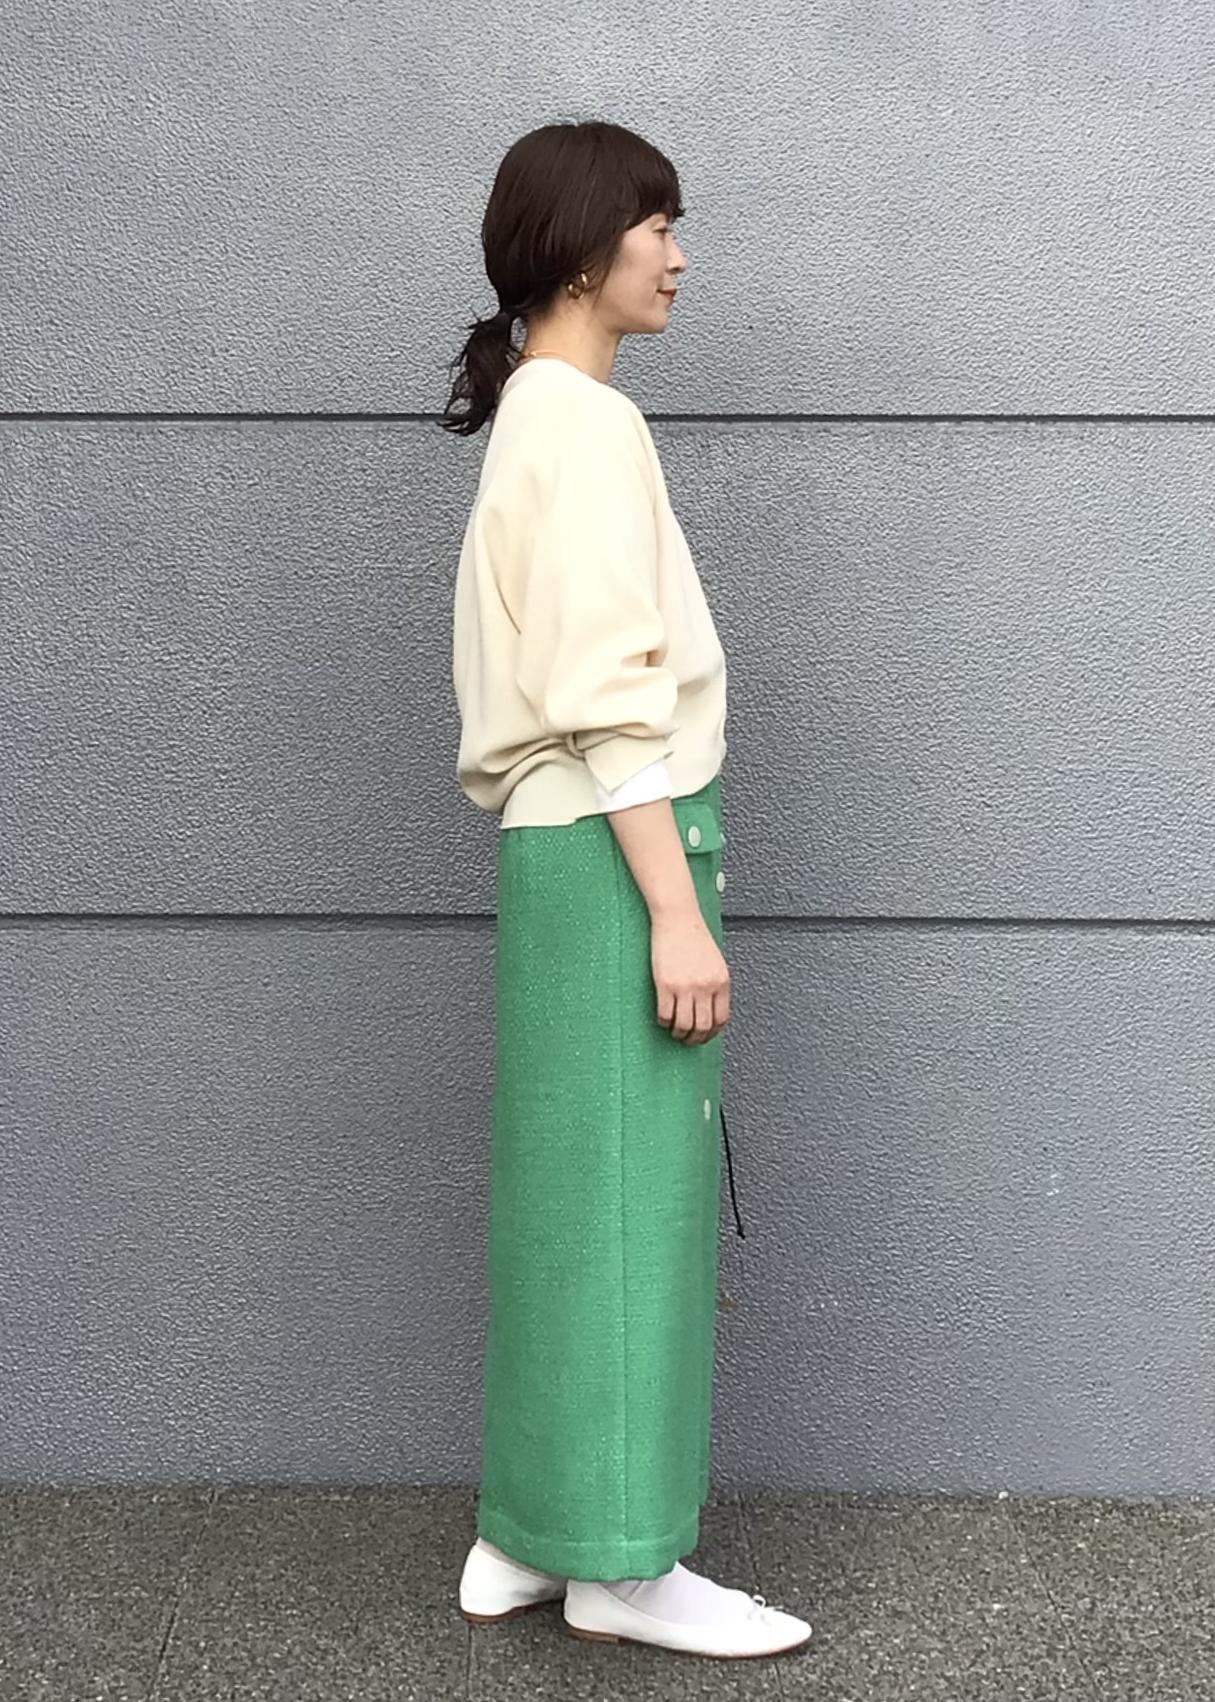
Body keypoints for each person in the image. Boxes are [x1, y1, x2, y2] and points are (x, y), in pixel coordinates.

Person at [442, 119, 811, 1662]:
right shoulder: (587, 424)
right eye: (659, 225)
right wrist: (674, 906)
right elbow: (606, 699)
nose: (679, 254)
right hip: (618, 846)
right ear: (587, 245)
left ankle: (529, 1531)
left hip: (557, 852)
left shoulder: (536, 415)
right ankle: (623, 1561)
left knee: (562, 1203)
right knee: (633, 1206)